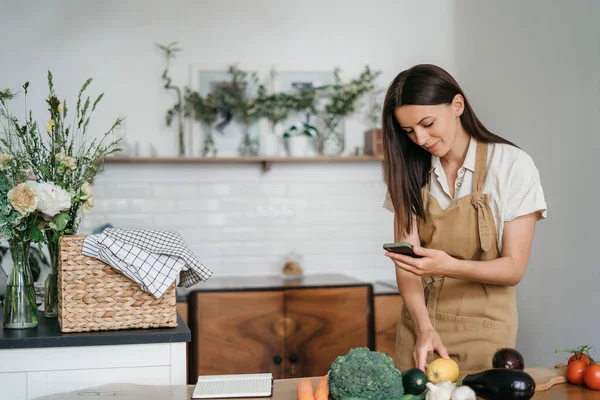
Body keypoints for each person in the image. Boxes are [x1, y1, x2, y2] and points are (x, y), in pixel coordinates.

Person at [381, 64, 547, 372]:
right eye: (408, 131)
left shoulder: (512, 166)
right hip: (419, 326)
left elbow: (513, 268)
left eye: (427, 123)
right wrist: (424, 328)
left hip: (486, 330)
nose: (419, 138)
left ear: (457, 105)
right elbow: (407, 268)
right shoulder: (408, 171)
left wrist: (447, 265)